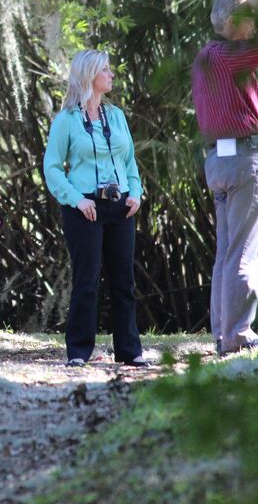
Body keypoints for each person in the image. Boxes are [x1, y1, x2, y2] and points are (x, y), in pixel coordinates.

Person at [43, 50, 148, 368]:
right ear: (89, 76)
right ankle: (78, 351)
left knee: (123, 281)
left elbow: (129, 161)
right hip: (84, 208)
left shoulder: (116, 116)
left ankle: (130, 350)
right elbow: (52, 168)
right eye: (105, 69)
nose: (111, 74)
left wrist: (136, 193)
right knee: (87, 280)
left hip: (120, 207)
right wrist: (77, 199)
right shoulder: (66, 120)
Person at [192, 0, 258, 356]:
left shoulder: (204, 59)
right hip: (246, 158)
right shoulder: (230, 56)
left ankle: (223, 332)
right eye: (247, 19)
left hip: (218, 161)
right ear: (232, 25)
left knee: (227, 252)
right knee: (247, 251)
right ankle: (238, 335)